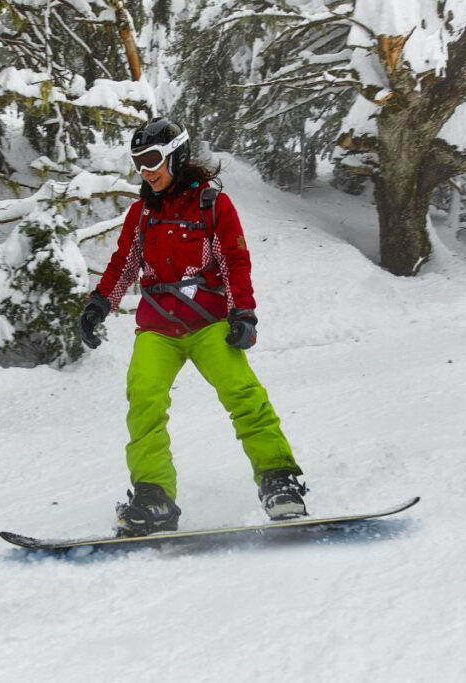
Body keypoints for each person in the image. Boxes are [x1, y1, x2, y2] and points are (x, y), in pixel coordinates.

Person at [77, 116, 307, 537]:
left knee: (242, 392)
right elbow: (125, 263)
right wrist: (98, 304)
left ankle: (279, 481)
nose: (147, 171)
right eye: (139, 162)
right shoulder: (142, 212)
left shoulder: (211, 205)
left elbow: (235, 260)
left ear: (176, 155)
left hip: (208, 321)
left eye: (153, 160)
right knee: (144, 397)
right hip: (159, 326)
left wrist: (244, 314)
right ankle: (154, 498)